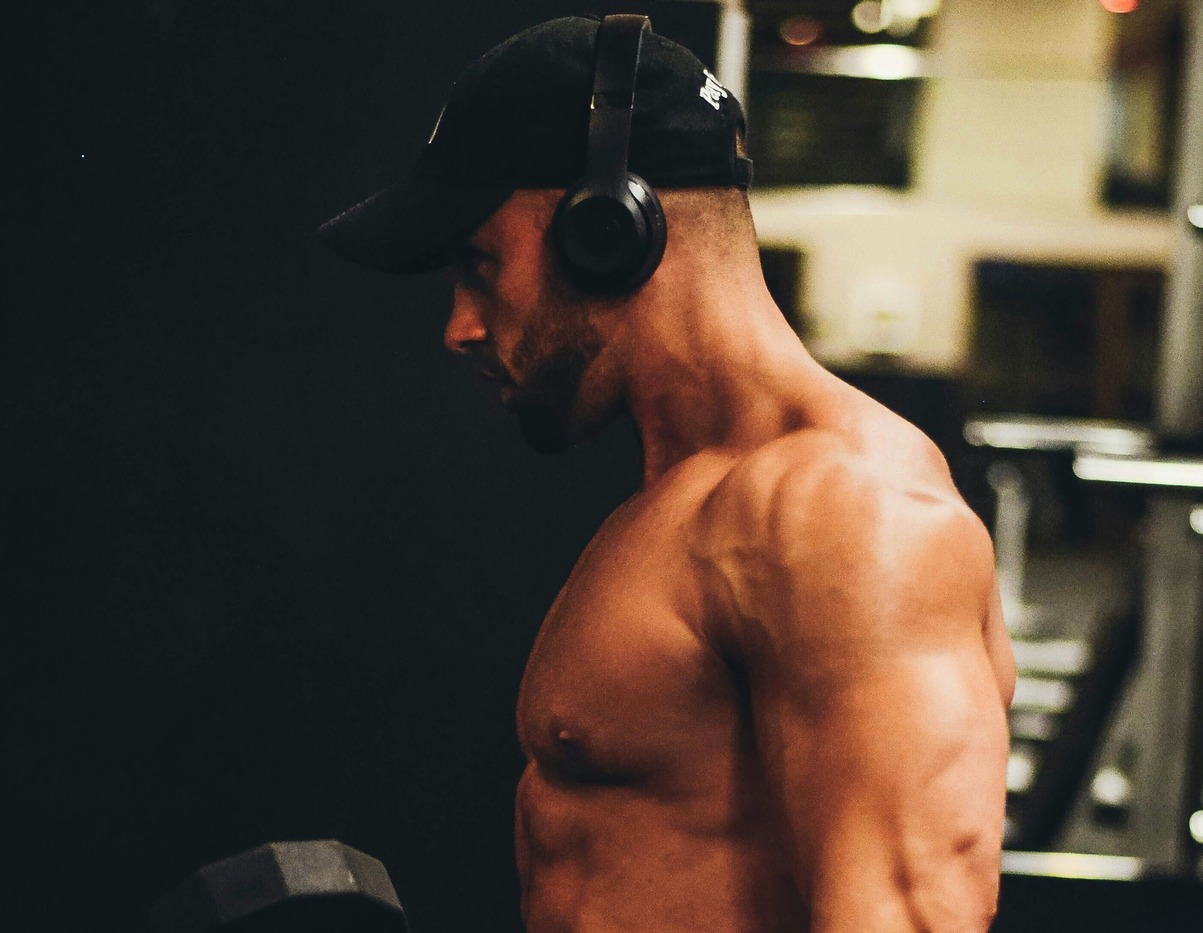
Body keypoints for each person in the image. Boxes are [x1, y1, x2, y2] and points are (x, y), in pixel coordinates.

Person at [320, 14, 1015, 933]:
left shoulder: (841, 511)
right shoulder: (692, 501)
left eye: (480, 264)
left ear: (605, 226)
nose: (460, 324)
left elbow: (909, 918)